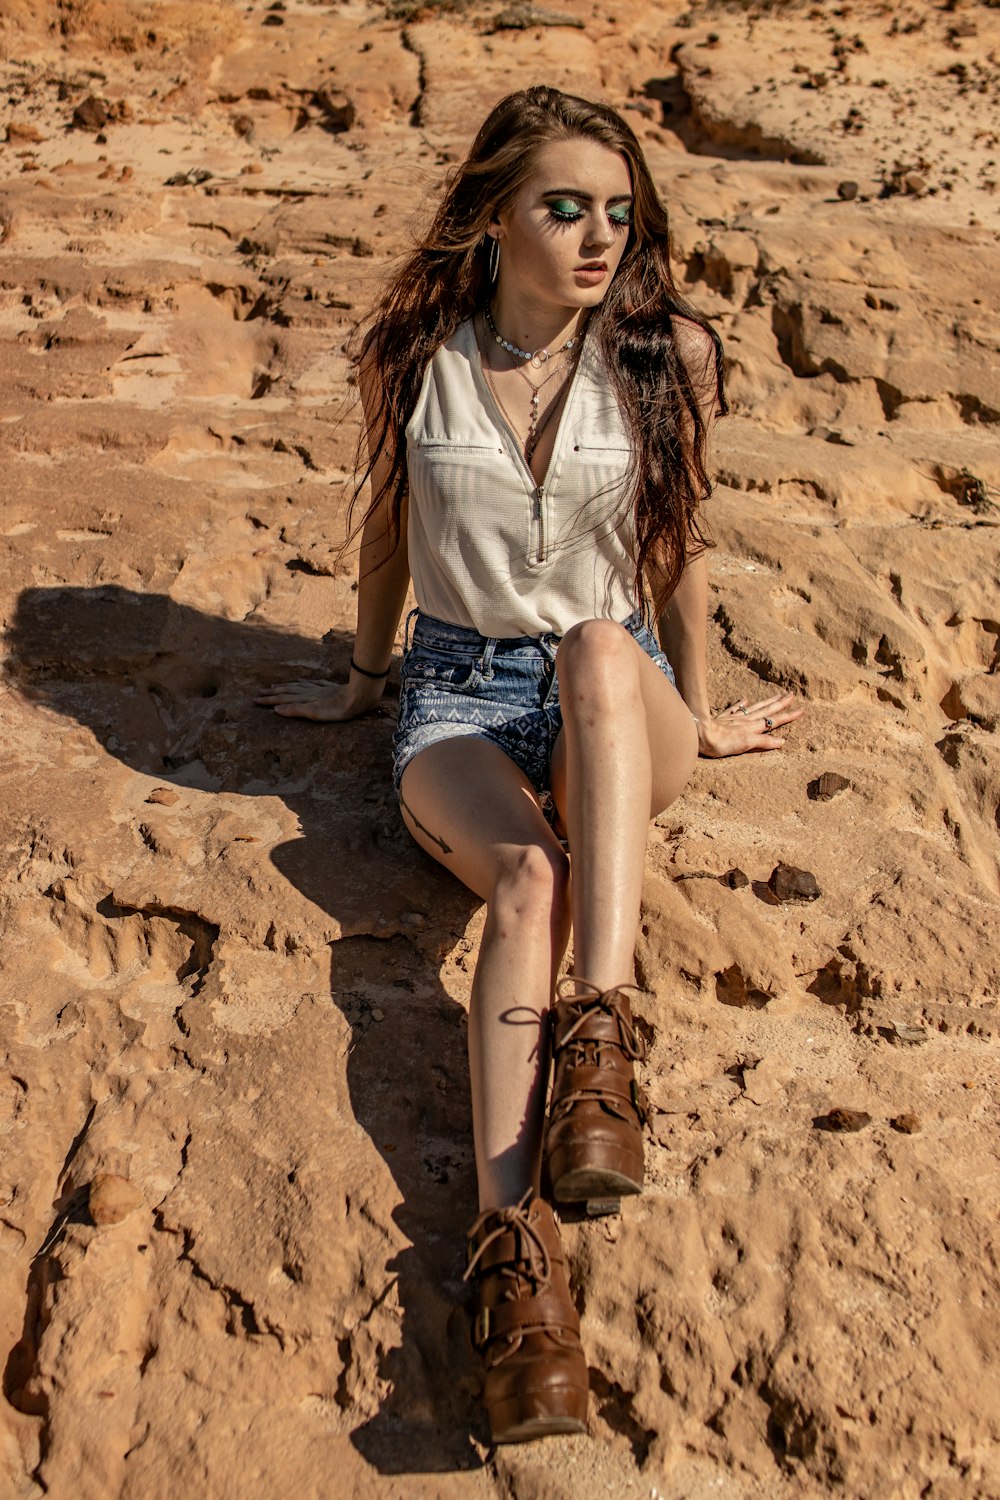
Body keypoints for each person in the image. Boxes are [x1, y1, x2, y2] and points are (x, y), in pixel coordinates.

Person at [257, 85, 801, 1445]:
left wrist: (711, 712)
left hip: (622, 700)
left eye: (619, 212)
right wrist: (364, 680)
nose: (599, 236)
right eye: (565, 207)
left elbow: (676, 548)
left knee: (603, 657)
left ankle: (600, 1048)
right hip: (455, 691)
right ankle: (515, 1263)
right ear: (496, 214)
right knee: (521, 884)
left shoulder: (668, 351)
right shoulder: (415, 350)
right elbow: (390, 527)